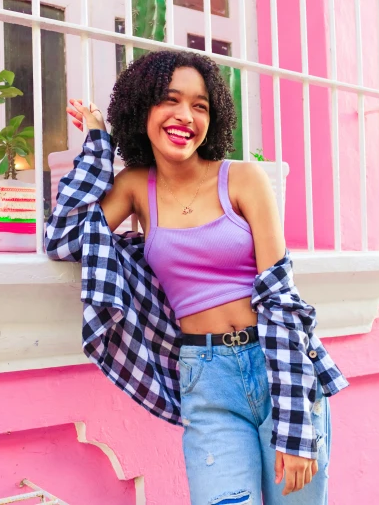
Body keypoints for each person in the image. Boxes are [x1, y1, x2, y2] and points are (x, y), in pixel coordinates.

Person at [46, 50, 348, 505]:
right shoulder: (135, 186)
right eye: (170, 100)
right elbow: (64, 239)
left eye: (200, 105)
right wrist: (96, 145)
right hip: (205, 379)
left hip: (277, 365)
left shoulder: (244, 179)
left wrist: (297, 425)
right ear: (141, 108)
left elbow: (281, 297)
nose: (185, 116)